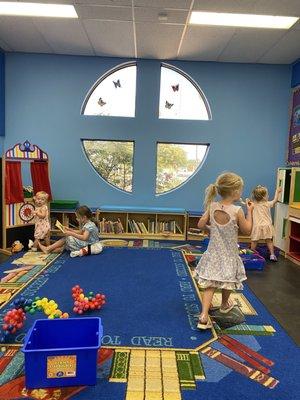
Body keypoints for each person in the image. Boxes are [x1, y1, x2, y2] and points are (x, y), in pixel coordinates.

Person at [195, 172, 253, 330]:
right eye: (240, 190)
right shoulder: (237, 210)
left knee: (210, 283)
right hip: (229, 254)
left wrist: (210, 228)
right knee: (227, 280)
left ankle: (203, 316)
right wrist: (250, 211)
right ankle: (224, 304)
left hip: (213, 253)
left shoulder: (212, 206)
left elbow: (200, 226)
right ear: (235, 192)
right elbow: (247, 230)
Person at [250, 185, 282, 261]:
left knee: (254, 241)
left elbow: (248, 205)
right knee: (269, 240)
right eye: (267, 195)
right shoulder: (267, 204)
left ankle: (251, 255)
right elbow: (275, 200)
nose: (268, 196)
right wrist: (277, 192)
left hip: (257, 225)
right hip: (267, 225)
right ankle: (272, 255)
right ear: (264, 197)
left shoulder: (254, 204)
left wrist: (245, 201)